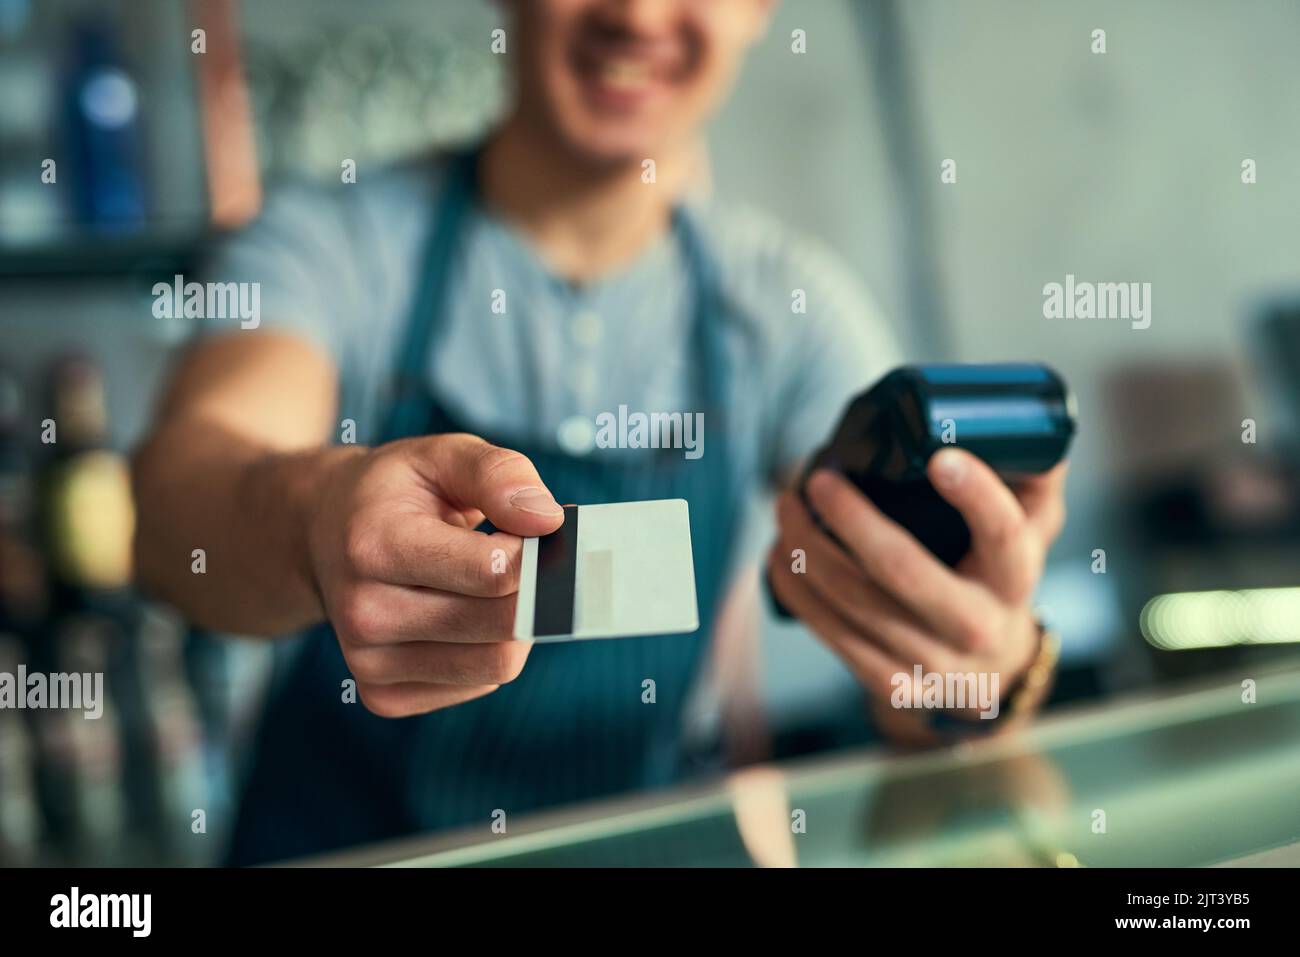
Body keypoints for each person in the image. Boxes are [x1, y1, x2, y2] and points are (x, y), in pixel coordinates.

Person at [133, 0, 1067, 864]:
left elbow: (923, 700)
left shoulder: (789, 309)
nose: (637, 14)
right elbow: (180, 501)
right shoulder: (328, 241)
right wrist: (312, 516)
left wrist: (963, 670)